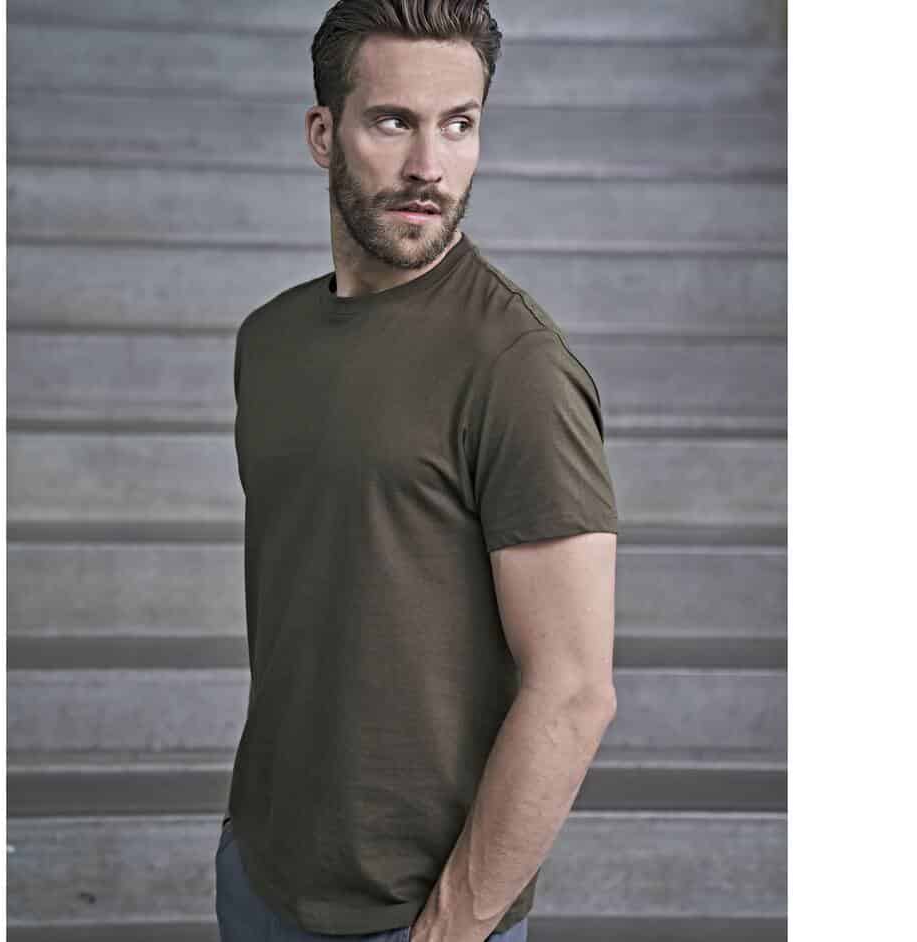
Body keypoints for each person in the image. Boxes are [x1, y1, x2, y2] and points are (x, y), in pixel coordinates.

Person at [216, 2, 619, 940]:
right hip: (263, 874)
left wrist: (452, 926)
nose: (429, 166)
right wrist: (247, 844)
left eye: (459, 124)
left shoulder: (515, 367)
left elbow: (573, 690)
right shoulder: (270, 342)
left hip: (420, 911)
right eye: (393, 121)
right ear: (324, 134)